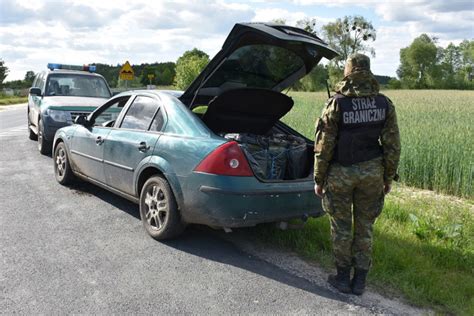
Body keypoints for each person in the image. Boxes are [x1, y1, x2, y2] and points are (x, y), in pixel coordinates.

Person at [313, 53, 400, 295]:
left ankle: (342, 279)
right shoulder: (384, 103)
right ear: (368, 71)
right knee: (365, 227)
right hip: (373, 174)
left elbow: (323, 145)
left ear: (348, 72)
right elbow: (393, 145)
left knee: (341, 228)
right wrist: (388, 177)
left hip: (340, 174)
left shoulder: (337, 103)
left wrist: (319, 179)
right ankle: (360, 281)